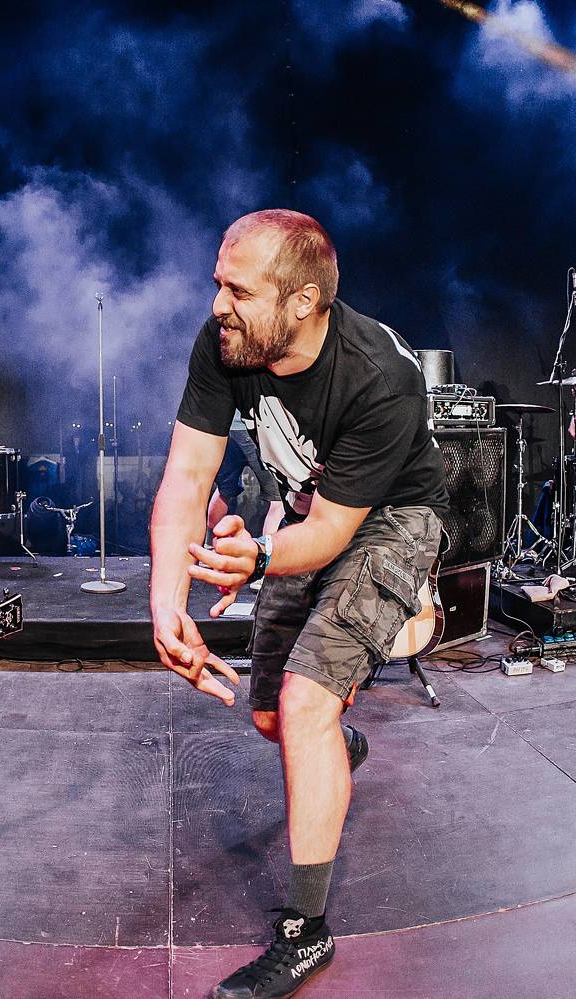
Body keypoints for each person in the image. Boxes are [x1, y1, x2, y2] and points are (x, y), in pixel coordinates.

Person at [150, 209, 448, 999]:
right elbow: (187, 478)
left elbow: (333, 536)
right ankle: (333, 747)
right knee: (271, 719)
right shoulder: (226, 342)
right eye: (218, 283)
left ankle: (305, 932)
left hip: (391, 519)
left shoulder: (379, 373)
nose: (218, 304)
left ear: (303, 301)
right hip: (306, 513)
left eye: (238, 290)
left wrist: (256, 555)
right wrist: (166, 606)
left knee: (304, 700)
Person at [208, 410, 287, 538]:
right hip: (250, 428)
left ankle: (210, 542)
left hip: (227, 429)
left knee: (225, 490)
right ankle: (269, 550)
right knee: (278, 499)